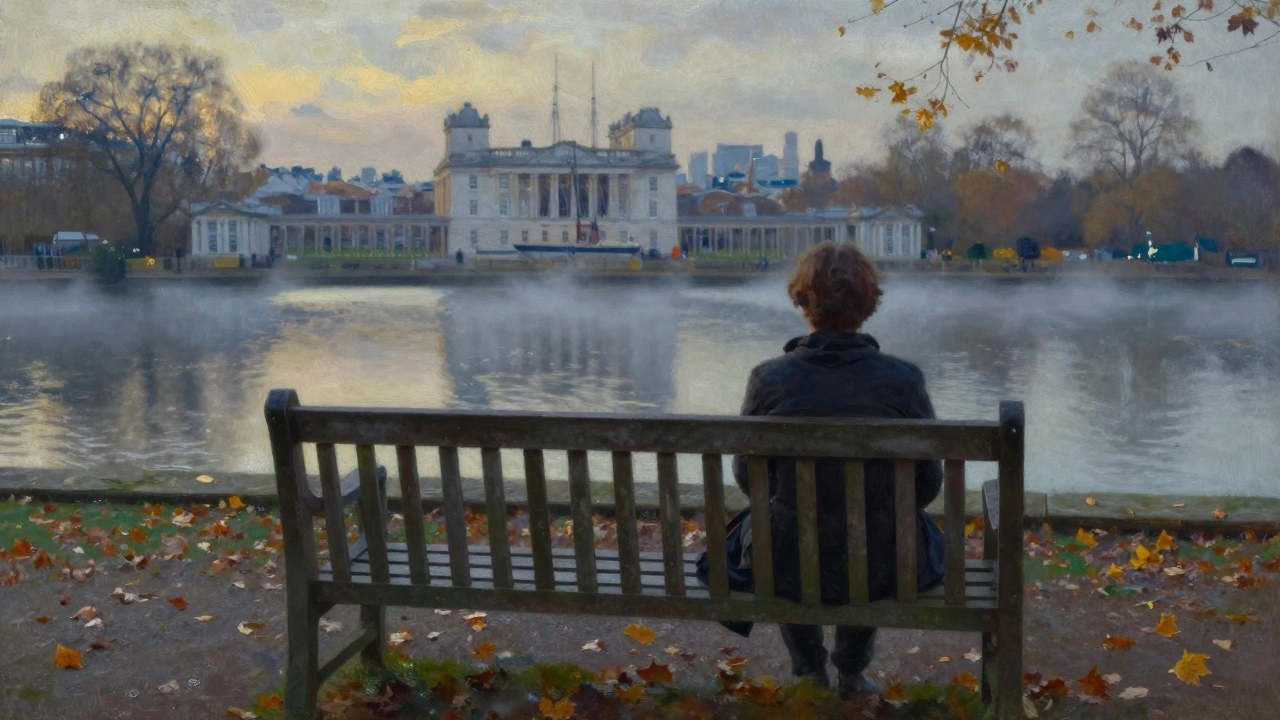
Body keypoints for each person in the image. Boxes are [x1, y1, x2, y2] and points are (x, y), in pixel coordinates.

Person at [730, 242, 945, 699]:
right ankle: (850, 668)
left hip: (786, 563)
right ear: (868, 306)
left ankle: (810, 671)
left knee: (770, 532)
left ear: (803, 303)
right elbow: (928, 483)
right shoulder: (903, 379)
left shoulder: (769, 379)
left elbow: (749, 478)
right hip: (885, 563)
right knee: (883, 529)